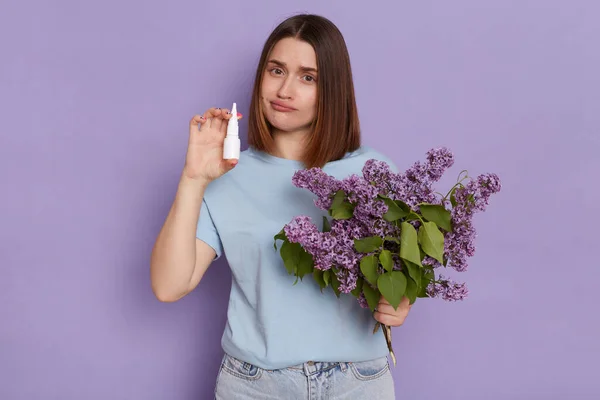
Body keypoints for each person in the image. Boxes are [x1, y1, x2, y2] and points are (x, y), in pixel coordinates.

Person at [150, 13, 412, 399]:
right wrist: (193, 179)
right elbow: (170, 285)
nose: (285, 89)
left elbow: (399, 274)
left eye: (308, 77)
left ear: (333, 90)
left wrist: (401, 302)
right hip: (255, 385)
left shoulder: (372, 172)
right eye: (276, 70)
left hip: (358, 383)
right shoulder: (225, 176)